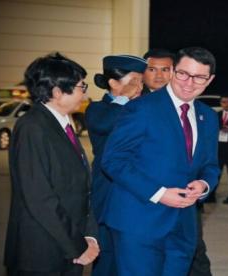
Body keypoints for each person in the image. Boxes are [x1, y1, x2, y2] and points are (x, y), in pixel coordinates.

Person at [101, 47, 220, 276]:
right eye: (183, 73)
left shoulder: (208, 117)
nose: (189, 82)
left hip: (183, 226)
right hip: (138, 223)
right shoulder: (141, 108)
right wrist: (159, 193)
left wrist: (204, 185)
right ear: (173, 71)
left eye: (199, 77)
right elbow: (114, 160)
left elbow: (210, 165)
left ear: (210, 79)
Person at [4, 52, 99, 276]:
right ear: (57, 92)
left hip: (70, 246)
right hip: (42, 253)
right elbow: (39, 197)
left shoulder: (64, 124)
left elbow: (80, 188)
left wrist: (88, 236)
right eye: (80, 86)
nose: (83, 92)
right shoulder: (32, 127)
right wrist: (76, 246)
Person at [85, 55, 147, 276]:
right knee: (107, 254)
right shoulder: (98, 110)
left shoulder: (143, 107)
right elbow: (106, 124)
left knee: (134, 257)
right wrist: (125, 99)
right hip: (108, 190)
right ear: (113, 82)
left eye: (141, 81)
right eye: (134, 80)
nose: (140, 86)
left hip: (138, 192)